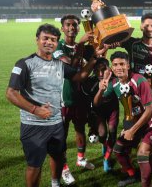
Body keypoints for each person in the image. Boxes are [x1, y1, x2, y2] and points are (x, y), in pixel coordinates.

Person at [6, 24, 101, 187]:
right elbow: (11, 93)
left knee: (58, 157)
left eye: (53, 40)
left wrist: (94, 59)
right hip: (34, 125)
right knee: (34, 164)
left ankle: (55, 183)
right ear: (37, 40)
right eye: (46, 38)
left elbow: (79, 76)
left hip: (56, 123)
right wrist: (35, 110)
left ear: (57, 43)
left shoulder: (59, 65)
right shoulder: (25, 64)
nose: (49, 42)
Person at [94, 51, 152, 187]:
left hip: (151, 122)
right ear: (112, 68)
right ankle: (132, 175)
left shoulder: (139, 80)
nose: (119, 67)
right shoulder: (113, 83)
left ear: (128, 66)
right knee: (118, 150)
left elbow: (149, 110)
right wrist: (101, 88)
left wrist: (131, 130)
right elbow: (96, 103)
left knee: (142, 154)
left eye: (122, 64)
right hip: (134, 122)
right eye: (115, 65)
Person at [52, 14, 96, 184]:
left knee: (80, 129)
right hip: (63, 99)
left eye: (75, 25)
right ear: (62, 28)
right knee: (61, 136)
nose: (71, 28)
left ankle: (80, 158)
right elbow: (70, 66)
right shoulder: (58, 46)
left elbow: (92, 63)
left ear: (79, 28)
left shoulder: (83, 47)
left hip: (80, 98)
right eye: (68, 25)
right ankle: (64, 169)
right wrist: (81, 44)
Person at [80, 58, 119, 173]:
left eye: (103, 70)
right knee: (102, 134)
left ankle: (106, 159)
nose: (101, 74)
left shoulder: (115, 80)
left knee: (112, 133)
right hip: (99, 111)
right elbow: (95, 104)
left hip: (113, 110)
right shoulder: (90, 82)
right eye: (97, 70)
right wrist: (101, 89)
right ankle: (104, 145)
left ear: (108, 69)